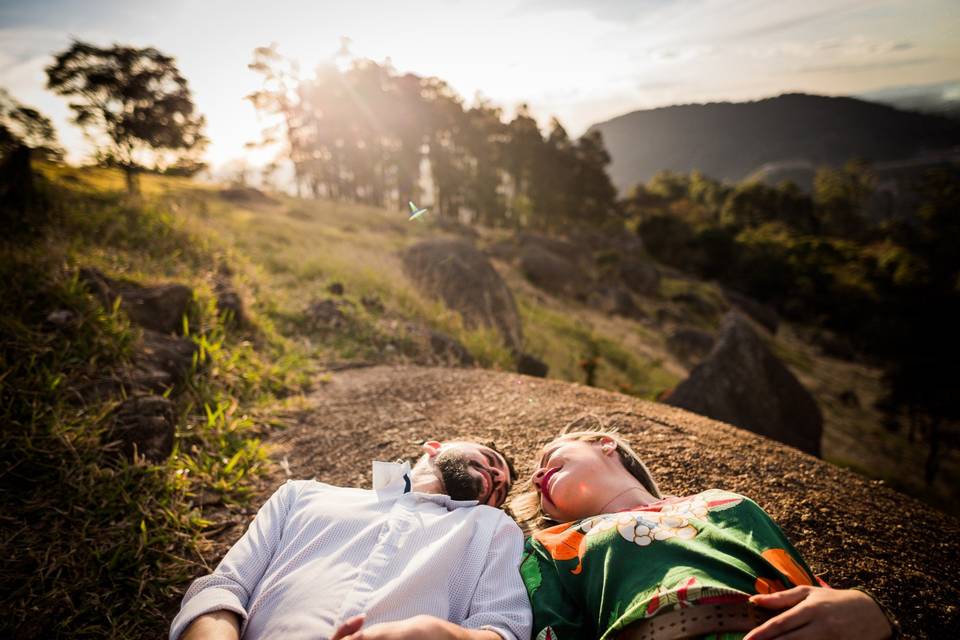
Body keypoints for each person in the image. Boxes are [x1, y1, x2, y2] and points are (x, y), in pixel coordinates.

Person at [513, 426, 899, 640]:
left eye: (549, 457)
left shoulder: (727, 501)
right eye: (535, 486)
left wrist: (874, 617)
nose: (537, 475)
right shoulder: (550, 546)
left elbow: (801, 584)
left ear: (605, 444)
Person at [170, 439, 532, 640]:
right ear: (434, 446)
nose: (498, 475)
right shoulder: (300, 495)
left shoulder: (492, 528)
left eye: (501, 489)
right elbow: (225, 587)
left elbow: (504, 628)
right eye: (489, 458)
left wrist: (445, 637)